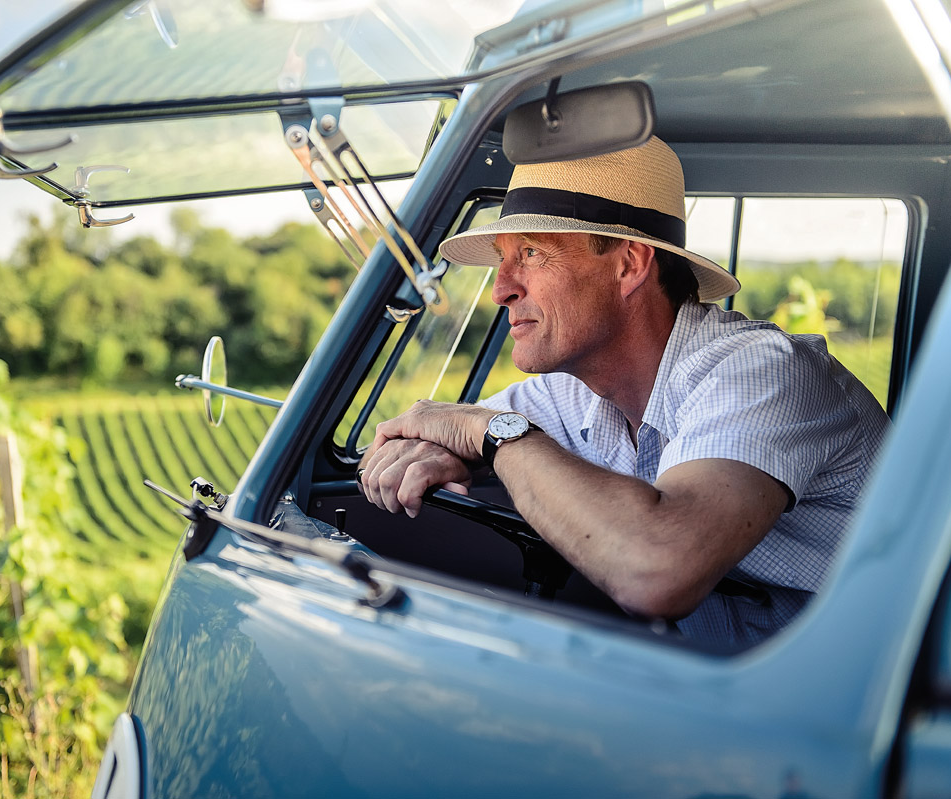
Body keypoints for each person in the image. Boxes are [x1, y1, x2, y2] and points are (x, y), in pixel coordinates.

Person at [358, 136, 889, 645]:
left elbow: (656, 571)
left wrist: (492, 433)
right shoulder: (577, 391)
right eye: (502, 259)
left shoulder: (761, 372)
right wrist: (445, 440)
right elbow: (428, 433)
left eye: (533, 254)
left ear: (629, 265)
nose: (501, 289)